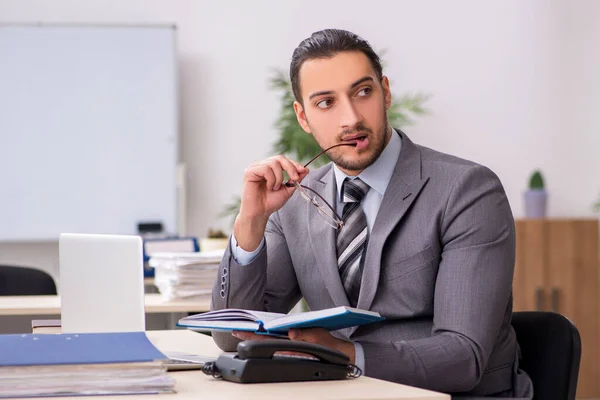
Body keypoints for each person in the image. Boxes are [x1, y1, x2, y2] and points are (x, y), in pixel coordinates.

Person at [211, 28, 533, 398]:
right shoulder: (296, 201)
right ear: (303, 117)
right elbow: (230, 336)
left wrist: (345, 353)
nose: (350, 119)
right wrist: (250, 224)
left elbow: (464, 357)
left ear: (386, 92)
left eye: (363, 92)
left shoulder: (467, 190)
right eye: (326, 103)